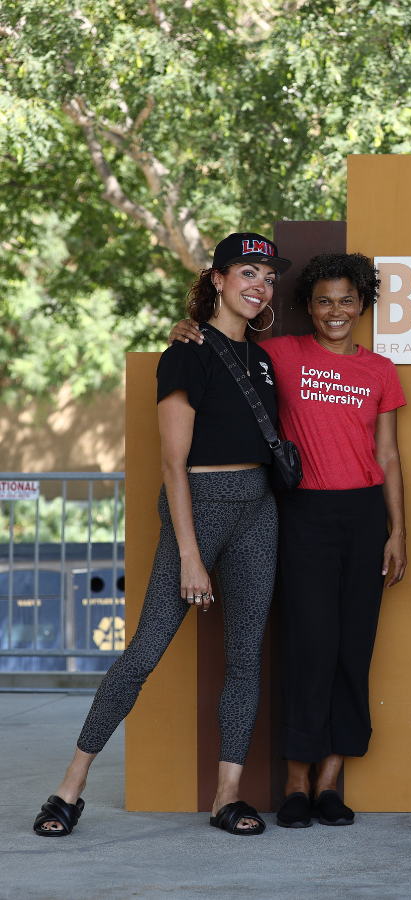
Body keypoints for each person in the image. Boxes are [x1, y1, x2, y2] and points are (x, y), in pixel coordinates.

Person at [33, 232, 289, 837]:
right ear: (218, 279)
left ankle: (228, 796)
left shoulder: (263, 360)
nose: (260, 285)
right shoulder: (185, 353)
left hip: (258, 509)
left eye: (270, 277)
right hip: (196, 508)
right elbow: (173, 464)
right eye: (248, 272)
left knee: (246, 659)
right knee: (143, 653)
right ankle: (70, 788)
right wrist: (191, 558)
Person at [168, 252, 407, 829]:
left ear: (362, 305)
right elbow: (222, 347)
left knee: (354, 648)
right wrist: (185, 330)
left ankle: (329, 784)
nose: (335, 311)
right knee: (308, 645)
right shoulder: (281, 354)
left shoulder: (380, 369)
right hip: (301, 514)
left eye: (347, 300)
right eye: (323, 300)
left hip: (363, 515)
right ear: (307, 305)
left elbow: (389, 456)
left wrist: (398, 530)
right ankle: (296, 783)